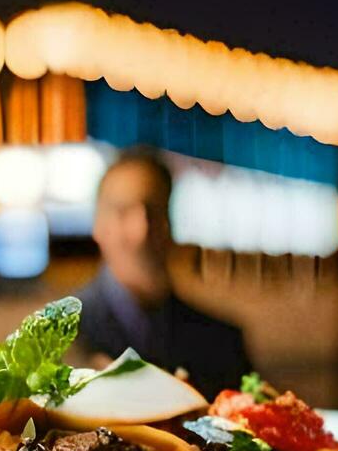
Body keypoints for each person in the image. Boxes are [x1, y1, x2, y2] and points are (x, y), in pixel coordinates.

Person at [73, 146, 251, 395]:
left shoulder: (222, 342)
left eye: (154, 211)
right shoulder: (55, 339)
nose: (141, 231)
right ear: (98, 225)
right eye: (123, 212)